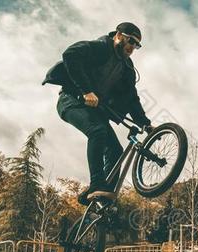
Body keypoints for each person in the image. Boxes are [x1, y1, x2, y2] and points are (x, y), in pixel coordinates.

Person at [42, 22, 153, 205]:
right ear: (118, 35)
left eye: (137, 45)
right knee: (97, 131)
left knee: (115, 150)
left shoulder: (126, 68)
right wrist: (86, 90)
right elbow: (71, 54)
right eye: (131, 41)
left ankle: (102, 194)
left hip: (95, 110)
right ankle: (96, 184)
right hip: (71, 101)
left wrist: (145, 124)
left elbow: (132, 98)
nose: (132, 47)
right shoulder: (101, 47)